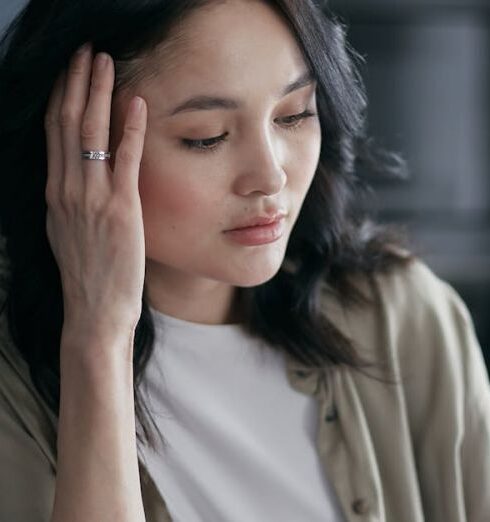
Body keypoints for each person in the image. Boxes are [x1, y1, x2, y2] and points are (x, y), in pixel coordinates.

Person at [0, 0, 489, 520]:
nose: (271, 175)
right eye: (205, 137)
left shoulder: (403, 315)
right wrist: (98, 339)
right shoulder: (14, 382)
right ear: (75, 143)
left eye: (294, 114)